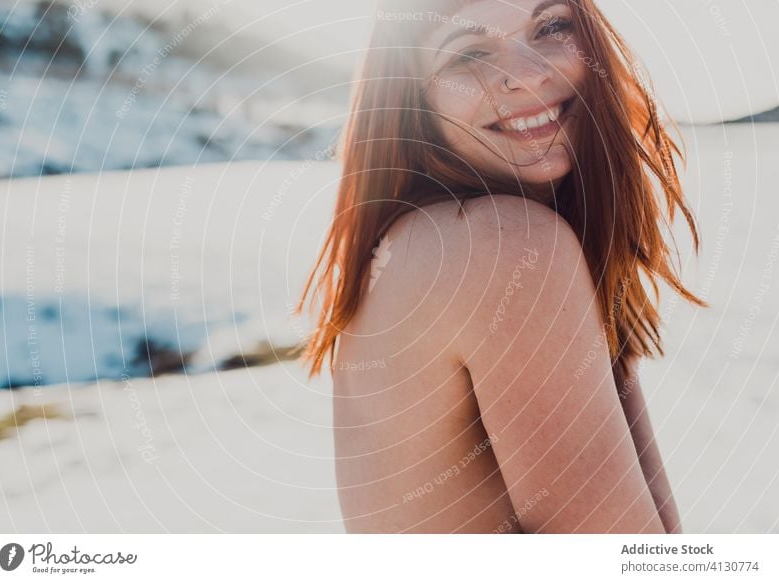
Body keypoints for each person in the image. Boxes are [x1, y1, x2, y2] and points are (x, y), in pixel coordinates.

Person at [295, 0, 706, 533]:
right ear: (410, 101)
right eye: (468, 53)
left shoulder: (423, 238)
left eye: (551, 26)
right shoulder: (504, 247)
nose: (530, 75)